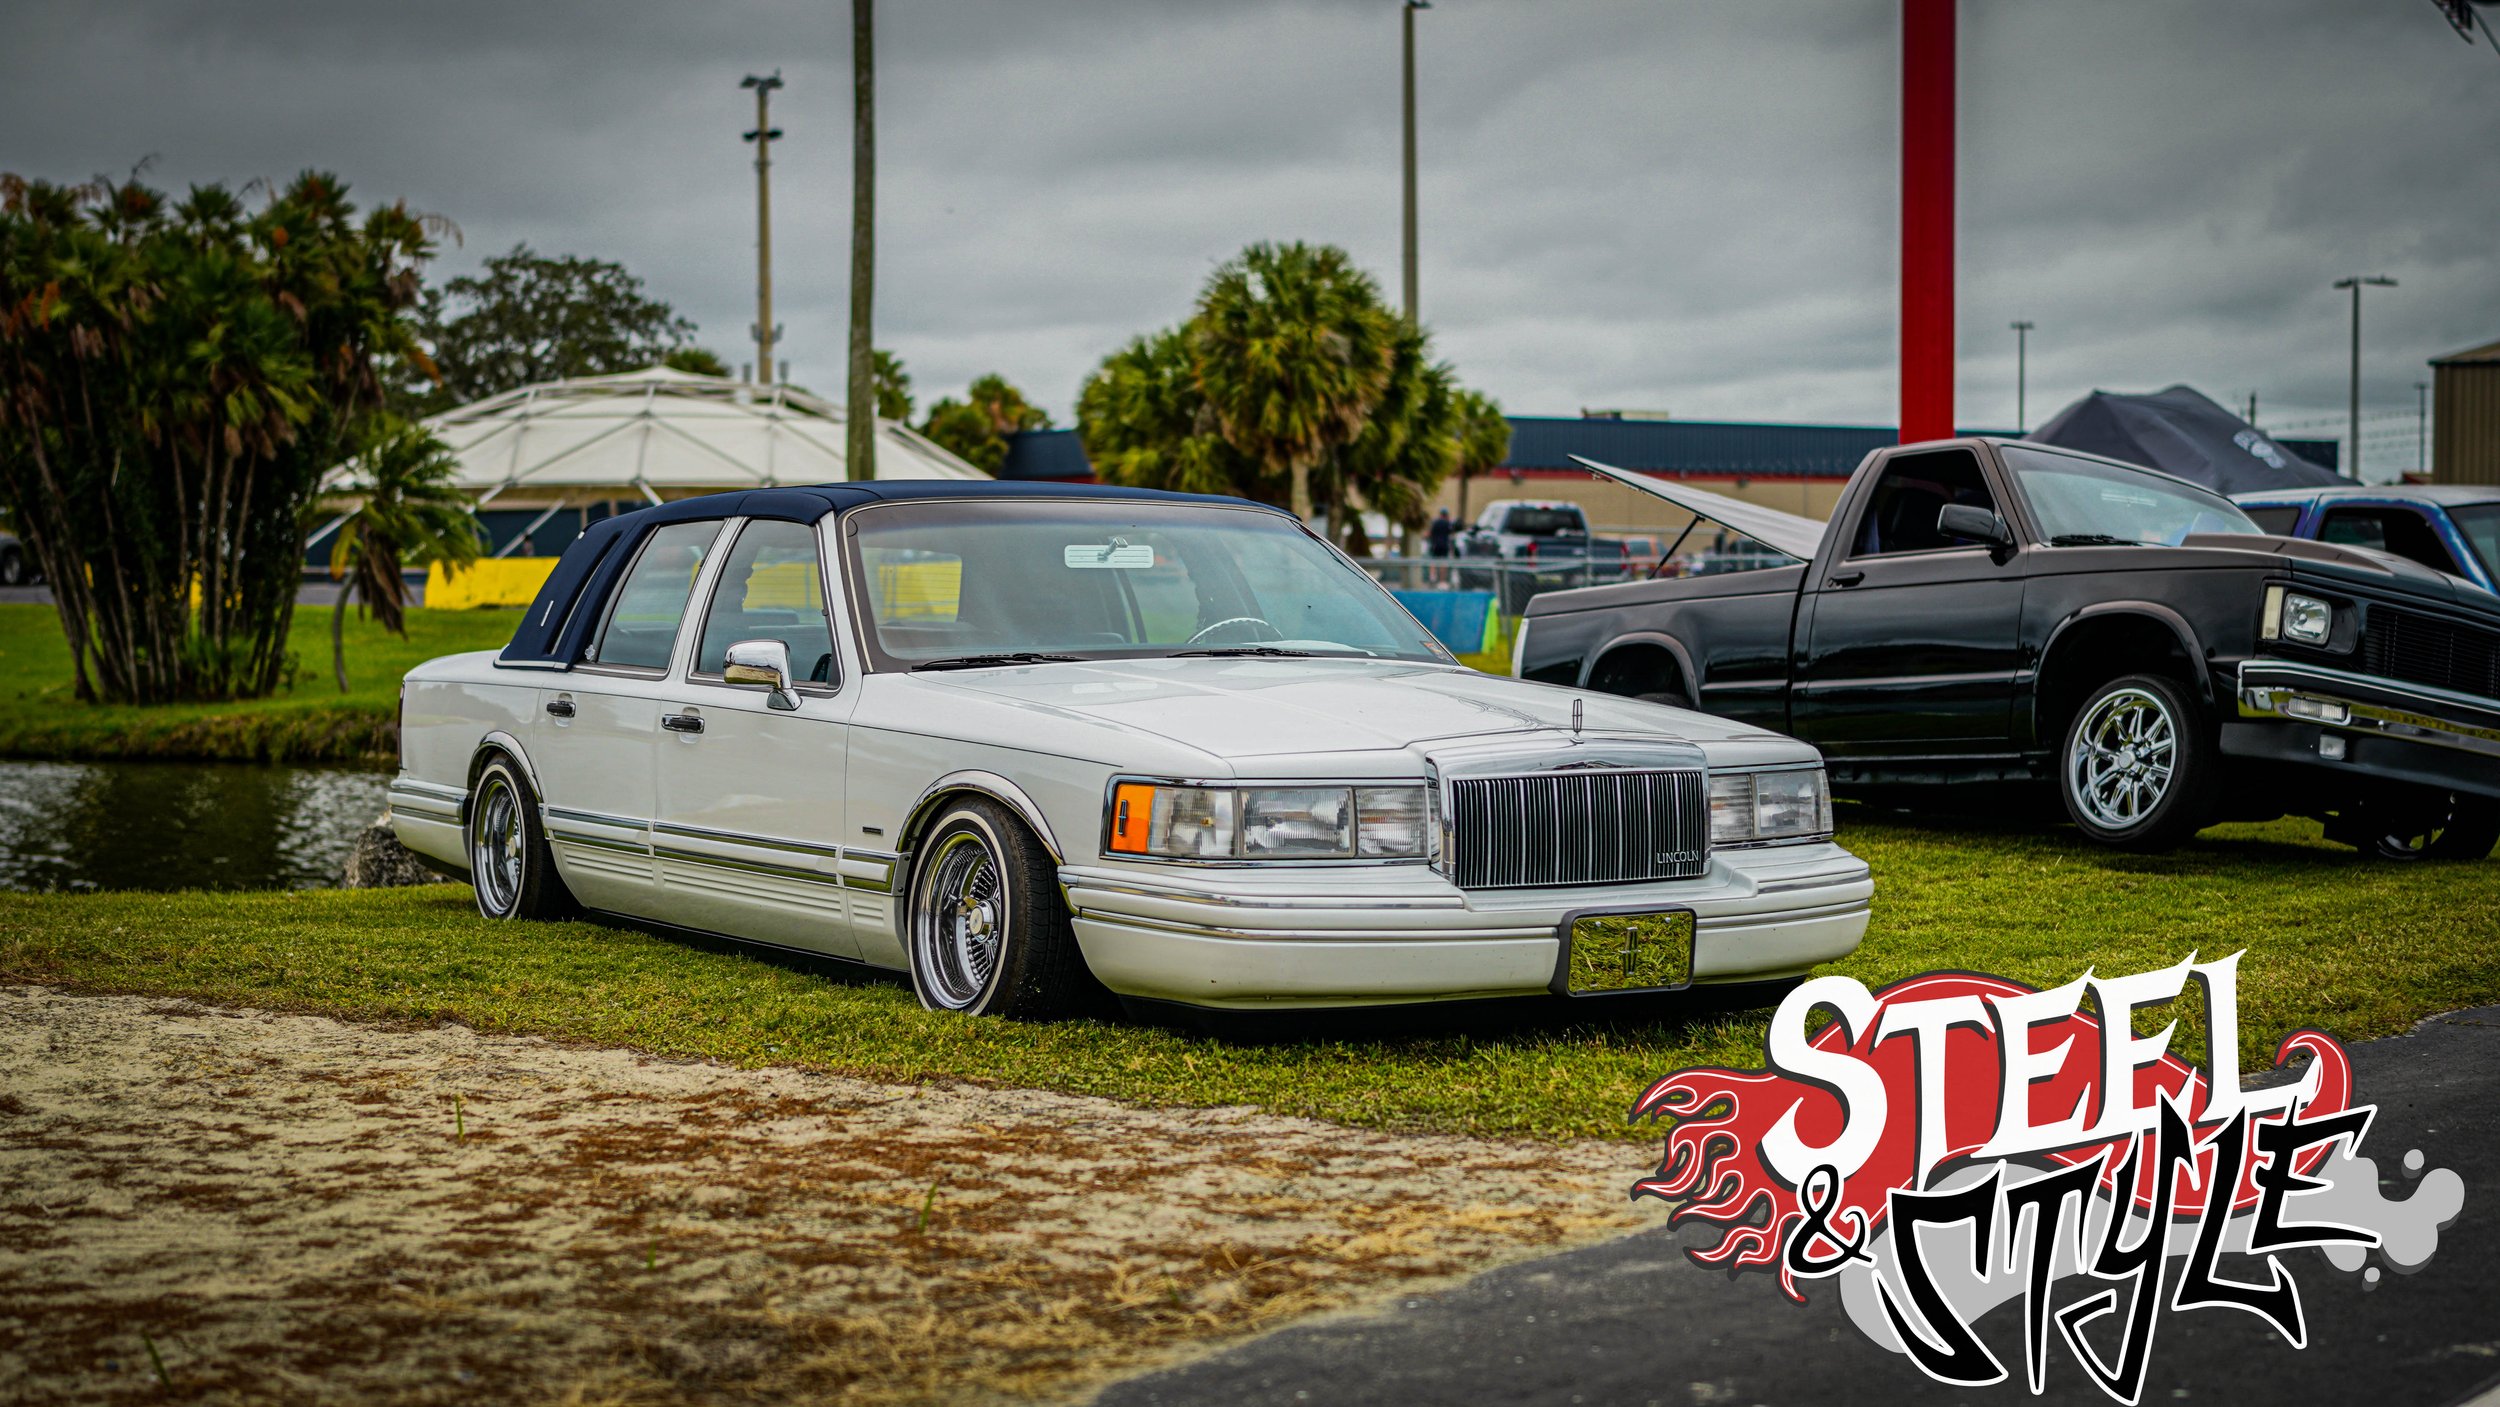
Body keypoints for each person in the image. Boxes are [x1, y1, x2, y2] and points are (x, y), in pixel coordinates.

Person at [1426, 507, 1455, 585]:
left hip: (1435, 545)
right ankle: (1442, 581)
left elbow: (1429, 533)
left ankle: (1432, 577)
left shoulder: (1435, 522)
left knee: (1433, 561)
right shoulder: (1448, 523)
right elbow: (1452, 534)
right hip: (1444, 546)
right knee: (1443, 563)